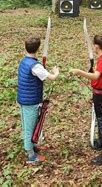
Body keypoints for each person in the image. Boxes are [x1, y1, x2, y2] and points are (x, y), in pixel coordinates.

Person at [71, 35, 102, 165]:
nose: (93, 47)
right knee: (101, 121)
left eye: (93, 45)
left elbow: (96, 76)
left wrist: (79, 72)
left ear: (97, 46)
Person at [17, 34, 59, 164]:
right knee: (29, 127)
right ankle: (30, 155)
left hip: (27, 100)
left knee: (32, 125)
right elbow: (51, 77)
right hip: (31, 102)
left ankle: (33, 147)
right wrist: (55, 71)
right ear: (38, 48)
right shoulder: (35, 66)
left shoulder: (24, 61)